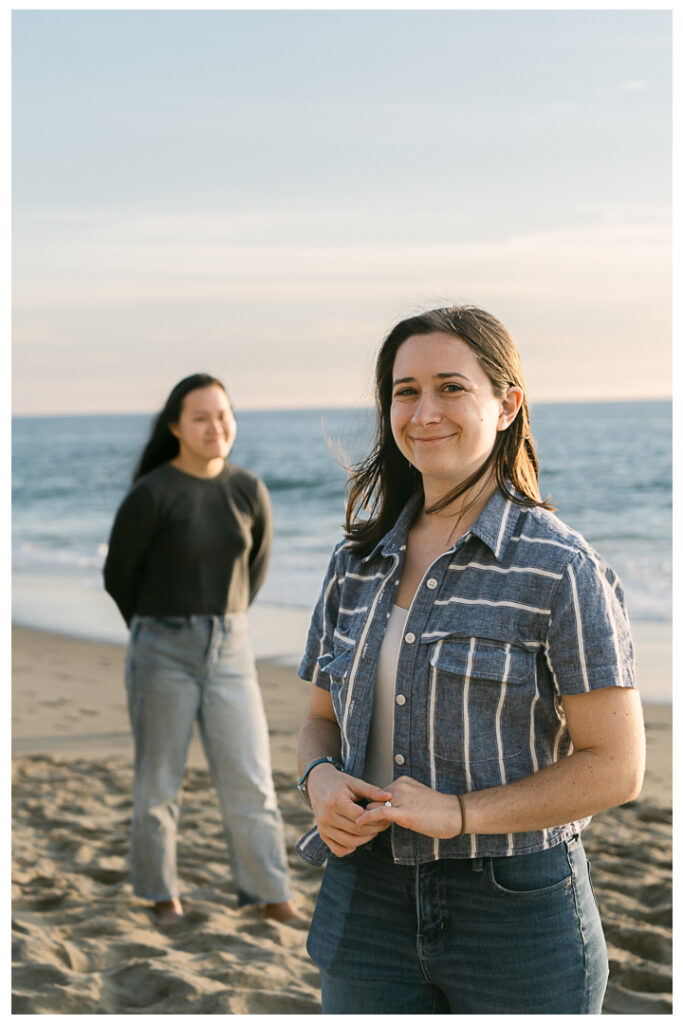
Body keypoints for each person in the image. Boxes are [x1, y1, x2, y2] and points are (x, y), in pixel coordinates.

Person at [296, 306, 645, 1014]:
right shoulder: (354, 564)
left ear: (506, 403)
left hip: (514, 913)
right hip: (364, 902)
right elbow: (316, 721)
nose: (424, 411)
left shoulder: (558, 567)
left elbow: (615, 765)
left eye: (450, 388)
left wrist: (458, 812)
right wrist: (319, 780)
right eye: (404, 391)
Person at [104, 373, 302, 928]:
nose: (216, 427)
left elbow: (254, 569)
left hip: (232, 649)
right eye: (201, 417)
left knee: (252, 779)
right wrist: (160, 629)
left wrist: (222, 620)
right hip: (162, 649)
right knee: (159, 783)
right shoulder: (152, 494)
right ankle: (161, 895)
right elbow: (120, 575)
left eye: (223, 415)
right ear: (175, 427)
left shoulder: (248, 489)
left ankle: (271, 894)